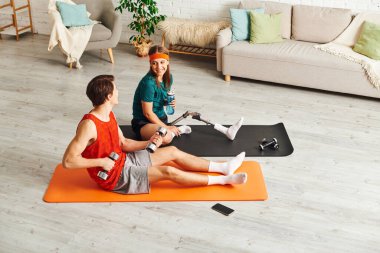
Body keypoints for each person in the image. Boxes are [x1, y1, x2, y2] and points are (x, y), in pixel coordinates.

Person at [62, 75, 247, 194]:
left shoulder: (108, 114)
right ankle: (223, 180)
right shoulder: (89, 125)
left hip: (122, 159)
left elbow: (124, 143)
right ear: (109, 97)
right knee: (168, 171)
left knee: (172, 151)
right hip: (113, 176)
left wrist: (149, 142)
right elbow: (68, 161)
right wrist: (101, 162)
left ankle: (224, 168)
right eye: (115, 89)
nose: (118, 91)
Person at [131, 45, 244, 145]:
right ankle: (175, 131)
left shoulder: (168, 78)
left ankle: (226, 131)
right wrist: (166, 127)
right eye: (154, 63)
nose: (159, 67)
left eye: (162, 62)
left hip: (160, 119)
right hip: (144, 123)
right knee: (166, 137)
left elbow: (158, 100)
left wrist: (167, 102)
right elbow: (148, 113)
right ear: (150, 63)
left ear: (167, 62)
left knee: (167, 132)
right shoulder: (148, 83)